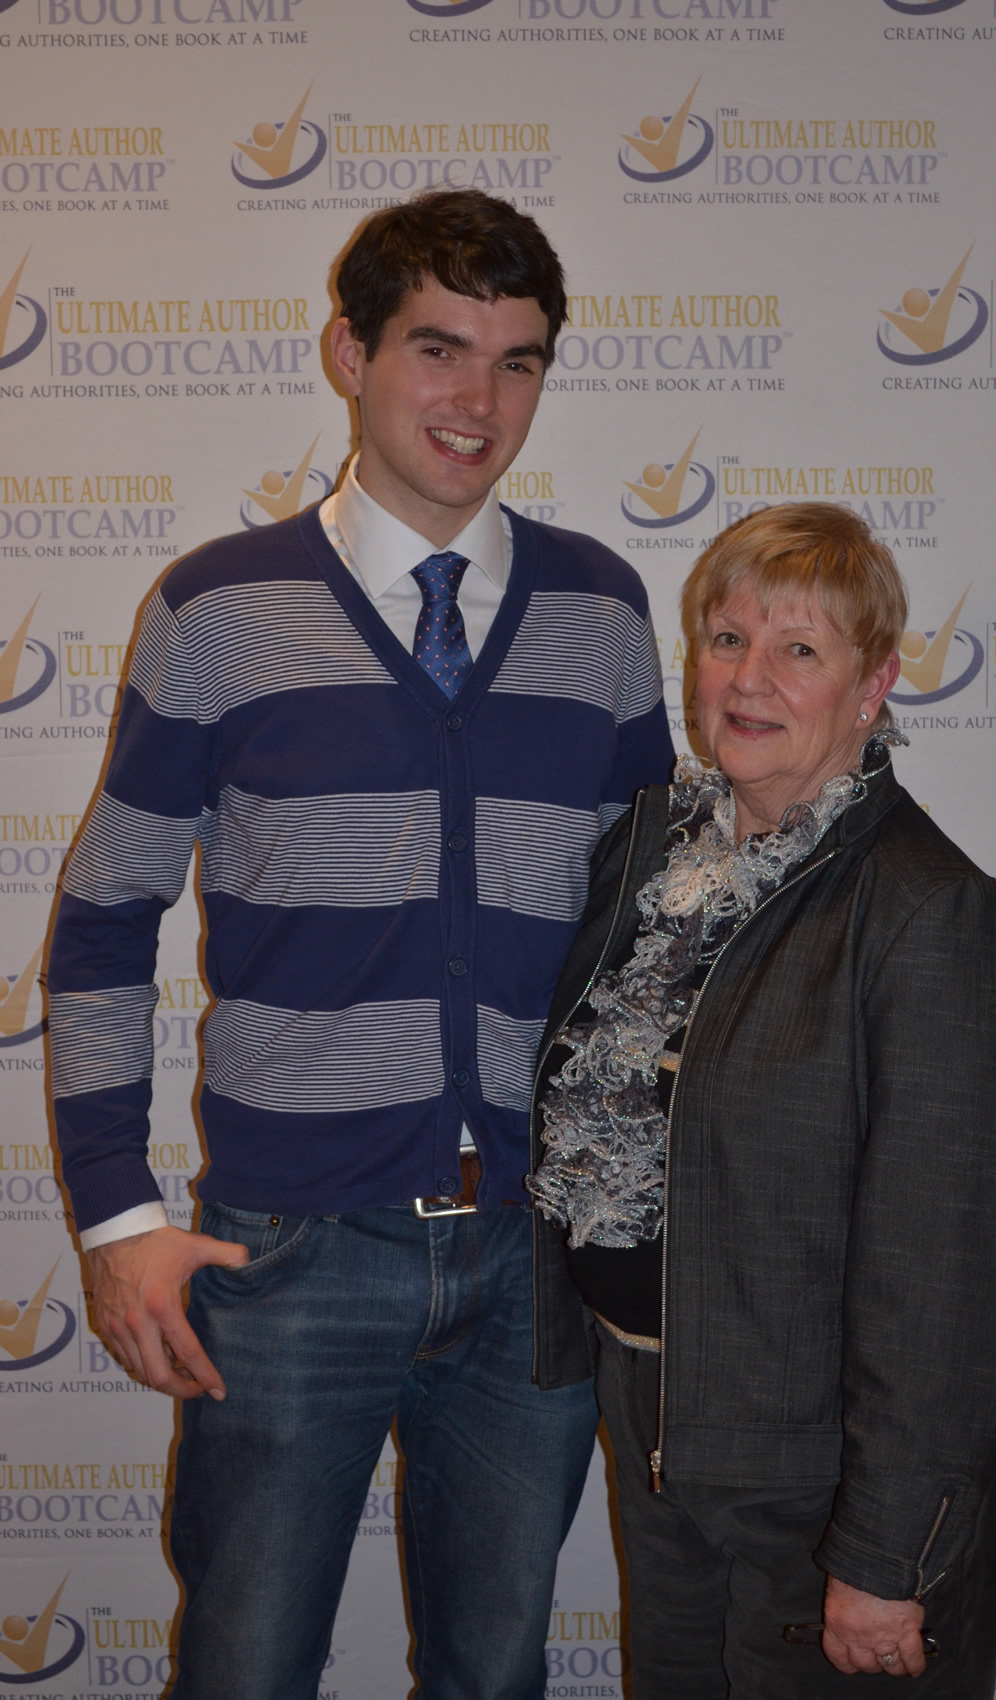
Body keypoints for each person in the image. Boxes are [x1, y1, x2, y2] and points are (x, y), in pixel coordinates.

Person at [47, 188, 674, 1700]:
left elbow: (643, 935)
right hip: (291, 1247)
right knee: (246, 1667)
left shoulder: (601, 613)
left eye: (518, 362)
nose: (478, 402)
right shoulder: (217, 609)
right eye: (438, 349)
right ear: (350, 353)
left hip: (533, 1252)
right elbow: (107, 912)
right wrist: (117, 1213)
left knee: (493, 1670)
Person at [528, 502, 996, 1699]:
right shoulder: (654, 864)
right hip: (661, 1431)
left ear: (872, 685)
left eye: (798, 648)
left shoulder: (929, 912)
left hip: (822, 1483)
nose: (748, 677)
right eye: (727, 638)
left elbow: (950, 1281)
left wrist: (885, 1554)